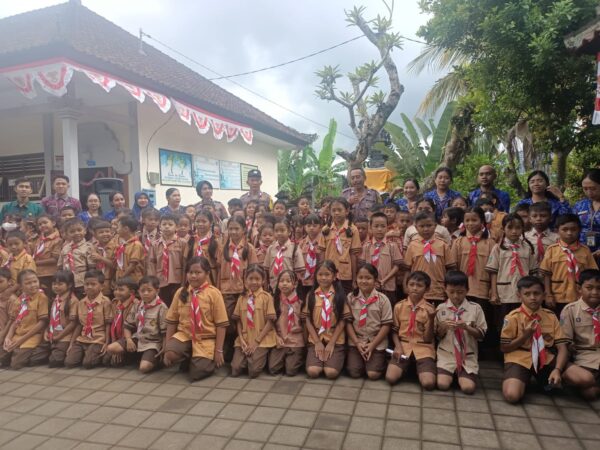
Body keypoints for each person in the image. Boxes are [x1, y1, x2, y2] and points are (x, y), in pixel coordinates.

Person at [500, 276, 568, 403]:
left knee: (577, 378)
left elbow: (562, 347)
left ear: (543, 295)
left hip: (544, 357)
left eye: (536, 293)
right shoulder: (513, 317)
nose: (532, 297)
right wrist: (525, 335)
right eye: (527, 294)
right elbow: (504, 347)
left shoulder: (551, 316)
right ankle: (528, 381)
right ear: (519, 295)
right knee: (512, 395)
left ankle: (545, 383)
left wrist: (557, 369)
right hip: (519, 357)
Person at [163, 257, 228, 381]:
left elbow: (221, 324)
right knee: (170, 353)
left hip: (205, 338)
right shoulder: (181, 293)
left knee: (196, 374)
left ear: (207, 274)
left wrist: (218, 351)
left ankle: (202, 360)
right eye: (190, 272)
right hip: (185, 335)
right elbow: (172, 321)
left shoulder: (214, 294)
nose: (193, 276)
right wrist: (167, 346)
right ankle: (190, 356)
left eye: (198, 273)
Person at [435, 271, 487, 394]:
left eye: (460, 292)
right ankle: (452, 374)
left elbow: (482, 335)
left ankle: (462, 375)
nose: (456, 296)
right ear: (445, 289)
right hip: (446, 354)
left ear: (467, 290)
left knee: (468, 389)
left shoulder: (475, 308)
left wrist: (467, 328)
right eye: (451, 292)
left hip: (467, 355)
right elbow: (437, 336)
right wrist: (443, 327)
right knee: (442, 385)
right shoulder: (440, 309)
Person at [385, 271, 437, 389]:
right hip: (403, 346)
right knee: (390, 378)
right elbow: (394, 330)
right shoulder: (399, 306)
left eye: (419, 286)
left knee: (428, 384)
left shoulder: (429, 310)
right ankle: (408, 367)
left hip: (423, 347)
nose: (415, 288)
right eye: (411, 284)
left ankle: (418, 368)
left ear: (427, 289)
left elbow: (428, 338)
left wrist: (432, 319)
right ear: (406, 286)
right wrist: (397, 346)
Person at [302, 261, 352, 379]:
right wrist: (317, 342)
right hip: (316, 338)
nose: (323, 278)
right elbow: (307, 319)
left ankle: (337, 357)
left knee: (331, 373)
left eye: (327, 274)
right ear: (316, 276)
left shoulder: (339, 295)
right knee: (313, 372)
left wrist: (331, 343)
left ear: (334, 276)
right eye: (320, 274)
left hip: (334, 338)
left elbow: (342, 321)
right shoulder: (311, 295)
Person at [540, 214, 598, 315]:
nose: (569, 233)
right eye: (565, 229)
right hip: (557, 297)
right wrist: (548, 294)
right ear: (557, 230)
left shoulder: (585, 251)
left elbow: (592, 274)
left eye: (573, 229)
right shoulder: (552, 250)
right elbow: (547, 274)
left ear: (579, 230)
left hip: (579, 297)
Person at [346, 264, 393, 380]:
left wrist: (372, 345)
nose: (364, 281)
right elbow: (348, 323)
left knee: (373, 374)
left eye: (368, 278)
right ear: (356, 279)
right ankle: (360, 359)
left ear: (375, 280)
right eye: (360, 278)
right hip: (357, 340)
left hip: (376, 341)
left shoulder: (383, 299)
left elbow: (386, 325)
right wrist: (357, 343)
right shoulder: (351, 298)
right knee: (354, 372)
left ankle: (380, 360)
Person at [560, 269, 600, 400]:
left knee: (591, 392)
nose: (595, 292)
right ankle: (568, 378)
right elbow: (565, 342)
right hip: (584, 359)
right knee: (590, 392)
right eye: (589, 287)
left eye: (599, 288)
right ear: (579, 288)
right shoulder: (570, 310)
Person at [231, 264, 276, 377]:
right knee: (235, 370)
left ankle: (257, 357)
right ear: (245, 279)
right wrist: (241, 339)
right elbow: (238, 321)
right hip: (245, 338)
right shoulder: (242, 298)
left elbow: (270, 322)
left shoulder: (267, 297)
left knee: (253, 372)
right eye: (251, 278)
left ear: (263, 280)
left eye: (257, 279)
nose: (254, 282)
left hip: (261, 338)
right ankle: (248, 358)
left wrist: (256, 342)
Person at [64, 270, 113, 369]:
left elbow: (108, 324)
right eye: (86, 284)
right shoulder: (81, 302)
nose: (89, 287)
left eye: (93, 284)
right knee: (69, 363)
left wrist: (107, 342)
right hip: (83, 339)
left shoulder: (106, 302)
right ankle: (86, 353)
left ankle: (93, 355)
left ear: (102, 286)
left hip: (98, 339)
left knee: (88, 364)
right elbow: (79, 324)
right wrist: (72, 343)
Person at [0, 270, 49, 369]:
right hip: (18, 335)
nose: (33, 285)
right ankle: (17, 351)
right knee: (3, 357)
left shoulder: (41, 297)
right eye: (28, 283)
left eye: (35, 281)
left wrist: (20, 341)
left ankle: (40, 351)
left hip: (32, 336)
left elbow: (42, 323)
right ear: (21, 286)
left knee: (16, 364)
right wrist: (8, 337)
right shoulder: (19, 300)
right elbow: (15, 321)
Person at [404, 212, 455, 306]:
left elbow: (450, 268)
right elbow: (407, 269)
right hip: (418, 290)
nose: (426, 229)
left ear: (435, 226)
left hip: (439, 290)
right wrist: (406, 287)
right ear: (416, 227)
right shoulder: (412, 245)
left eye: (429, 225)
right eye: (422, 226)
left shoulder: (443, 245)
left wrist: (448, 288)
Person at [119, 276, 168, 373]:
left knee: (143, 368)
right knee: (112, 348)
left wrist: (164, 348)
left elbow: (165, 332)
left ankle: (156, 360)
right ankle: (137, 356)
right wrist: (128, 340)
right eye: (142, 291)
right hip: (139, 338)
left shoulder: (161, 307)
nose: (145, 293)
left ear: (157, 291)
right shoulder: (138, 305)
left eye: (149, 290)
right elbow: (127, 326)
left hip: (153, 342)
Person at [318, 197, 361, 294]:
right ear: (330, 212)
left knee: (344, 302)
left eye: (339, 210)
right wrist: (320, 273)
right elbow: (322, 253)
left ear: (347, 211)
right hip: (328, 274)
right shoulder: (325, 230)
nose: (336, 213)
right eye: (333, 210)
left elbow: (354, 255)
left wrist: (354, 278)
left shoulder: (352, 230)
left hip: (345, 274)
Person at [268, 270, 306, 376]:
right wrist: (276, 336)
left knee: (291, 371)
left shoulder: (301, 301)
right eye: (281, 281)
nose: (284, 283)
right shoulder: (274, 300)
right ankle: (284, 357)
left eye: (288, 281)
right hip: (280, 340)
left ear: (295, 284)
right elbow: (270, 322)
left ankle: (298, 357)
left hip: (296, 340)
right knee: (273, 369)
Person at [359, 212, 402, 304]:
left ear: (387, 227)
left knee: (387, 309)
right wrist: (372, 280)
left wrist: (384, 280)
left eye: (383, 226)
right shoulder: (366, 246)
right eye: (376, 226)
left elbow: (397, 266)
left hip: (388, 286)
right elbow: (363, 266)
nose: (379, 229)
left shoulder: (392, 246)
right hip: (369, 286)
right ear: (370, 228)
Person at [148, 214, 187, 306]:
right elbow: (151, 264)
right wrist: (153, 283)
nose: (167, 227)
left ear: (176, 227)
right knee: (163, 306)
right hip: (160, 281)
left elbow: (185, 264)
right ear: (160, 226)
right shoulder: (155, 244)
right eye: (164, 224)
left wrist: (184, 282)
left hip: (177, 280)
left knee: (177, 305)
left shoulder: (182, 243)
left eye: (170, 224)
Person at [45, 270, 79, 367]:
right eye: (54, 284)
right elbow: (51, 318)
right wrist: (47, 332)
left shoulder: (73, 301)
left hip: (65, 336)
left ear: (69, 285)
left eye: (60, 284)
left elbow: (73, 324)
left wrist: (59, 337)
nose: (56, 286)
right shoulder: (54, 299)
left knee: (54, 361)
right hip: (53, 334)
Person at [263, 218, 305, 291]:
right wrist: (266, 287)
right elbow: (266, 270)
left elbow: (300, 271)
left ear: (289, 232)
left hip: (290, 287)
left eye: (282, 230)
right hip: (274, 286)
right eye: (276, 231)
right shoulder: (270, 249)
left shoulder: (295, 248)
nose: (279, 233)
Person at [105, 277, 138, 367]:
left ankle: (130, 355)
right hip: (117, 338)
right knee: (106, 360)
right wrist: (113, 342)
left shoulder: (135, 304)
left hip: (130, 337)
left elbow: (131, 327)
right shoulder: (115, 303)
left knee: (113, 359)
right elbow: (113, 324)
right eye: (115, 289)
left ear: (132, 292)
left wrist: (119, 347)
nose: (117, 292)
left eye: (121, 290)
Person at [57, 218, 94, 298]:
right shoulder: (65, 248)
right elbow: (60, 265)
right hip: (67, 282)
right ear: (66, 234)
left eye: (79, 230)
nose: (76, 233)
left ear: (85, 231)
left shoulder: (88, 247)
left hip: (81, 282)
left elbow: (91, 267)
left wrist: (89, 282)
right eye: (72, 231)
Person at [33, 214, 62, 297]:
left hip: (49, 274)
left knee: (49, 297)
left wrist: (36, 263)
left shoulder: (58, 240)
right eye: (40, 224)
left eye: (45, 222)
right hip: (38, 273)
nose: (42, 225)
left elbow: (55, 259)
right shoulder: (39, 239)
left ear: (53, 223)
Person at [572, 169, 600, 256]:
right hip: (582, 252)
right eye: (585, 189)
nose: (589, 192)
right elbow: (572, 225)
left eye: (593, 188)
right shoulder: (580, 205)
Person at [114, 216, 145, 284]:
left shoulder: (136, 245)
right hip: (123, 279)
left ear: (126, 229)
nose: (117, 230)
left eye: (118, 227)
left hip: (132, 280)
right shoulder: (124, 244)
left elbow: (132, 266)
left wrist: (121, 278)